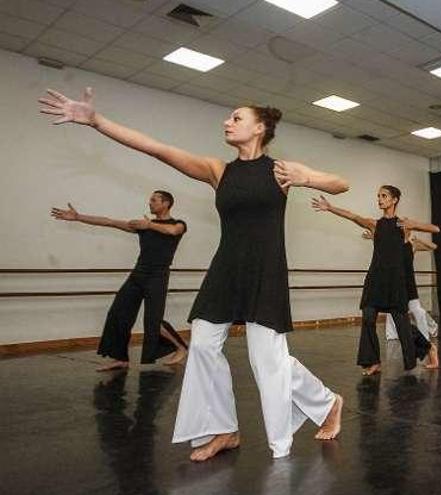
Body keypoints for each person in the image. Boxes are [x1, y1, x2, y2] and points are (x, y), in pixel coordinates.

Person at [39, 87, 346, 462]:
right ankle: (223, 429)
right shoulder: (219, 171)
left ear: (260, 127)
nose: (227, 122)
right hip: (226, 267)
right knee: (201, 344)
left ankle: (328, 402)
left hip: (265, 270)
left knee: (267, 358)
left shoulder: (281, 170)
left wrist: (304, 177)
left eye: (236, 117)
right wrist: (96, 121)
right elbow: (157, 148)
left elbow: (340, 183)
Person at [50, 193, 188, 370]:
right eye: (150, 200)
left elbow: (173, 231)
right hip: (138, 274)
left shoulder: (178, 224)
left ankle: (182, 347)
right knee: (118, 313)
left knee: (153, 320)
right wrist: (78, 217)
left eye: (154, 200)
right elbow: (109, 222)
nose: (150, 203)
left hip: (158, 277)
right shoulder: (142, 226)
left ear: (166, 203)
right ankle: (120, 358)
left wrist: (149, 225)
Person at [311, 187, 440, 375]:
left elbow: (435, 229)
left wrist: (411, 223)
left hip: (395, 282)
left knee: (401, 323)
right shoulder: (375, 224)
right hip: (375, 279)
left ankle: (429, 348)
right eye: (378, 196)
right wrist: (330, 208)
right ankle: (373, 362)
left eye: (384, 196)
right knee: (368, 318)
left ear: (394, 200)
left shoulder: (402, 225)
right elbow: (353, 216)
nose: (379, 199)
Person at [363, 230, 439, 342]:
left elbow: (433, 246)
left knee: (417, 309)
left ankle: (432, 328)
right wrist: (372, 237)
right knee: (392, 308)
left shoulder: (413, 245)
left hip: (408, 281)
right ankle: (393, 334)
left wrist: (419, 240)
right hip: (395, 281)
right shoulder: (393, 244)